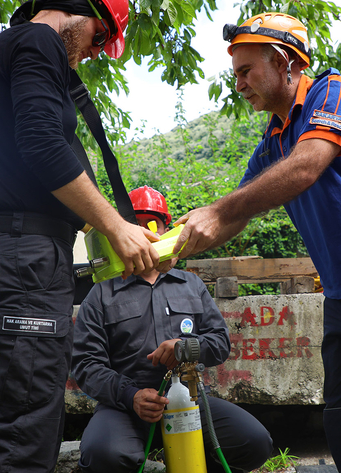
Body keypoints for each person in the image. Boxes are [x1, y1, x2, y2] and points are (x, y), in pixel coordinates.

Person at [172, 13, 341, 473]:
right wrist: (162, 246)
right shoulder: (274, 139)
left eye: (245, 71)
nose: (238, 84)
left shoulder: (334, 93)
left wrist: (221, 211)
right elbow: (234, 214)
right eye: (235, 73)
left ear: (282, 62)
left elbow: (305, 168)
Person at [0, 0, 161, 472]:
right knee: (18, 444)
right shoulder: (38, 39)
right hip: (22, 260)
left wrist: (123, 238)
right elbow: (44, 146)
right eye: (100, 37)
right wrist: (115, 225)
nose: (95, 51)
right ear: (78, 10)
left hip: (17, 254)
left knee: (22, 429)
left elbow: (38, 167)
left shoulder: (23, 51)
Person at [72, 186, 273, 473]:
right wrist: (132, 396)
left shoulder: (191, 285)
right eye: (136, 224)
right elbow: (87, 365)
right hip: (125, 406)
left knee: (254, 442)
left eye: (153, 223)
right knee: (104, 454)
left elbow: (219, 342)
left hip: (189, 399)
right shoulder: (102, 292)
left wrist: (185, 347)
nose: (145, 231)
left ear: (167, 228)